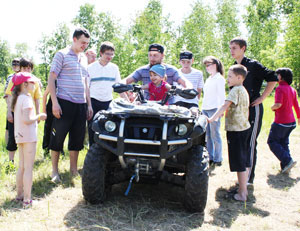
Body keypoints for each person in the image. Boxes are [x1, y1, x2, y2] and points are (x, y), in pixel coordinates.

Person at [47, 28, 93, 183]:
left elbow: (86, 83)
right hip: (64, 102)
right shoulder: (62, 54)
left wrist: (89, 105)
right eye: (82, 42)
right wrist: (54, 102)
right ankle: (55, 171)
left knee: (77, 139)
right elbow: (51, 78)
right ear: (74, 39)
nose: (84, 46)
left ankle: (73, 170)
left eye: (87, 43)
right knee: (58, 138)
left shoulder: (85, 58)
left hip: (81, 104)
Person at [229, 37, 277, 184]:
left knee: (250, 142)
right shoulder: (234, 67)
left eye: (234, 48)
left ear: (243, 48)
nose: (231, 51)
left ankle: (249, 178)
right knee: (240, 142)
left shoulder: (253, 65)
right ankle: (243, 176)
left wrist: (262, 97)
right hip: (240, 112)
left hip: (253, 109)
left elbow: (273, 77)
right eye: (230, 48)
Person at [208, 64, 251, 202]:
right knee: (243, 160)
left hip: (236, 131)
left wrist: (212, 118)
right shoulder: (244, 90)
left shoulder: (235, 90)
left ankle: (243, 193)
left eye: (230, 76)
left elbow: (224, 105)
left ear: (239, 77)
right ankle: (241, 188)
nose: (227, 79)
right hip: (244, 128)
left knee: (239, 162)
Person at [11, 72, 46, 208]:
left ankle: (19, 196)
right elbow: (27, 119)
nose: (34, 84)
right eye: (32, 82)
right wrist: (40, 116)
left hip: (19, 136)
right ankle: (27, 200)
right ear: (24, 85)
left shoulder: (19, 98)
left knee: (22, 166)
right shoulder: (26, 98)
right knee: (28, 168)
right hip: (29, 137)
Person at [123, 43, 192, 104]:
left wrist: (187, 89)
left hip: (167, 108)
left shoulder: (171, 70)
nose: (152, 58)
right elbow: (126, 80)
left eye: (155, 55)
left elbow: (185, 82)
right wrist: (121, 84)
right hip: (147, 106)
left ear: (162, 55)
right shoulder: (142, 70)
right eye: (150, 55)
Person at [5, 58, 42, 164]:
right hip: (15, 112)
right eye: (25, 68)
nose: (27, 70)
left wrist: (38, 113)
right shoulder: (15, 79)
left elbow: (37, 98)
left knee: (28, 137)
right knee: (12, 136)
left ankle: (26, 161)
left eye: (29, 68)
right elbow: (9, 95)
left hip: (29, 113)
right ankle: (11, 162)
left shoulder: (34, 81)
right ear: (20, 68)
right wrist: (9, 112)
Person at [87, 41, 121, 146]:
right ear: (101, 53)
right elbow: (86, 88)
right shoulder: (90, 68)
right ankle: (92, 150)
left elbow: (119, 87)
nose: (109, 56)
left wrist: (128, 102)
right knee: (92, 127)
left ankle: (106, 151)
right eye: (107, 54)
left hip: (108, 102)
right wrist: (88, 106)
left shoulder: (114, 68)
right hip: (93, 101)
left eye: (112, 54)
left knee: (109, 128)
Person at [267, 68, 300, 173]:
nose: (276, 76)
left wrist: (272, 107)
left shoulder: (280, 88)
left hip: (281, 122)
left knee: (272, 142)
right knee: (283, 143)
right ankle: (286, 166)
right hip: (291, 122)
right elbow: (296, 106)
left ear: (282, 77)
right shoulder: (292, 89)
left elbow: (278, 104)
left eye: (278, 74)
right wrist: (299, 118)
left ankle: (288, 160)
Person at [202, 56, 226, 167]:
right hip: (205, 108)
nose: (207, 67)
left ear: (215, 65)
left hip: (215, 109)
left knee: (215, 133)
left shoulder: (219, 78)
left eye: (209, 65)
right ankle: (210, 156)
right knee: (207, 135)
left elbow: (222, 95)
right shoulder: (209, 79)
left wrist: (221, 110)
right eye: (206, 65)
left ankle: (218, 158)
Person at [4, 58, 20, 162]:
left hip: (23, 110)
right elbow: (6, 95)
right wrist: (9, 109)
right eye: (13, 64)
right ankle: (11, 161)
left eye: (17, 64)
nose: (15, 65)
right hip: (12, 109)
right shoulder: (10, 77)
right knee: (10, 132)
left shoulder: (26, 77)